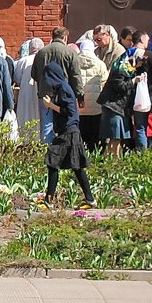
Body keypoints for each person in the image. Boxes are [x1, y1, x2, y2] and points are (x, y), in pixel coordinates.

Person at [38, 62, 97, 209]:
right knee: (76, 167)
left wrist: (50, 105)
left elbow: (69, 111)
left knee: (52, 162)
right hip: (68, 131)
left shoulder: (64, 89)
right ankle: (90, 199)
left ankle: (48, 200)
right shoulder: (61, 88)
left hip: (68, 132)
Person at [32, 27, 83, 144]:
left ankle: (47, 153)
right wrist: (80, 95)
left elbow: (34, 74)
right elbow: (76, 76)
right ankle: (61, 151)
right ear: (65, 37)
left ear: (52, 36)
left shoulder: (41, 52)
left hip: (45, 94)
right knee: (65, 124)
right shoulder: (70, 52)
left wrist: (43, 83)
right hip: (64, 94)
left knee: (47, 126)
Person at [97, 55, 137, 158]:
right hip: (113, 107)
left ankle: (113, 160)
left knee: (117, 138)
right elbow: (120, 86)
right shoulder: (120, 70)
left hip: (118, 108)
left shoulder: (125, 70)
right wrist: (133, 81)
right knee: (115, 137)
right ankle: (112, 161)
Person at [75, 39, 109, 152]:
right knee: (94, 137)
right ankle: (95, 158)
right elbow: (105, 84)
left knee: (81, 136)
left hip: (79, 107)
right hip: (96, 107)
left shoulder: (74, 63)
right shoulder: (100, 64)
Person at [13, 38, 44, 139]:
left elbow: (17, 78)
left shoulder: (22, 61)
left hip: (25, 93)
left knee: (25, 116)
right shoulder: (44, 58)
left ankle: (25, 139)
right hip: (40, 92)